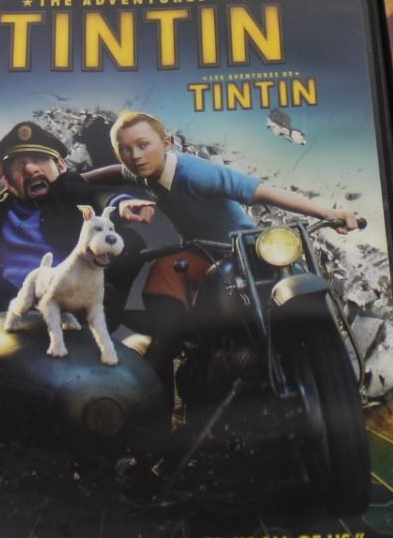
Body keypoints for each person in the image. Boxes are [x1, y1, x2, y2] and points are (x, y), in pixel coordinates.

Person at [94, 111, 360, 381]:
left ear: (167, 142)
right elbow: (116, 173)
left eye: (143, 145)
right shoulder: (143, 171)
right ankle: (178, 367)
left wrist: (327, 213)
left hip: (246, 255)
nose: (135, 155)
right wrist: (80, 180)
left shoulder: (195, 174)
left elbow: (260, 191)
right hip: (204, 254)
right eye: (125, 149)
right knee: (165, 303)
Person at [0, 122, 152, 349]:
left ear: (61, 166)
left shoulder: (74, 196)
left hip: (68, 300)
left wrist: (121, 204)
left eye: (40, 159)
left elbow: (98, 199)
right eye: (18, 165)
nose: (31, 169)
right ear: (8, 181)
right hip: (11, 300)